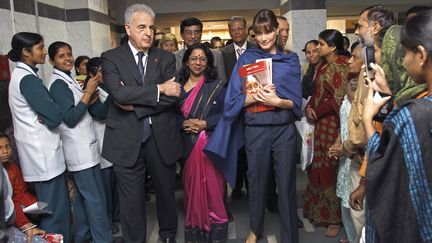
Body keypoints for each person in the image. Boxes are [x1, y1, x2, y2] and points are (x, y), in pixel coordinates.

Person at [206, 9, 302, 243]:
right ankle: (254, 229)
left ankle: (290, 236)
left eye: (267, 31)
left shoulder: (291, 59)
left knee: (287, 183)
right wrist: (255, 97)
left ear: (276, 30)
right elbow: (232, 101)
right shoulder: (247, 59)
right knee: (256, 182)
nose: (263, 38)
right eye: (258, 34)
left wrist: (277, 101)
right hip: (255, 129)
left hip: (283, 129)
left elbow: (296, 103)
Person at [101, 4, 183, 243]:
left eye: (151, 27)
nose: (148, 32)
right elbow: (118, 94)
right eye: (141, 27)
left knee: (166, 192)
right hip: (125, 139)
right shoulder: (111, 58)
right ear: (128, 29)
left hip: (161, 138)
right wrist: (158, 88)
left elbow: (171, 98)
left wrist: (133, 102)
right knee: (131, 200)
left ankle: (168, 234)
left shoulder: (166, 58)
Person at [362, 10, 432, 243]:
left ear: (421, 55)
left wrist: (367, 122)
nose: (402, 61)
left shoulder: (414, 114)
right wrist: (391, 95)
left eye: (405, 53)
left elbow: (383, 165)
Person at [7, 32, 71, 242]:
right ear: (26, 52)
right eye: (40, 48)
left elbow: (50, 111)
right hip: (43, 158)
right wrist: (52, 111)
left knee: (49, 209)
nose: (44, 52)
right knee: (55, 213)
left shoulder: (23, 75)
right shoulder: (27, 80)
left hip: (40, 156)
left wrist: (50, 109)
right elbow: (55, 115)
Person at [47, 41, 111, 243]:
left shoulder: (71, 80)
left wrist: (107, 91)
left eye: (69, 54)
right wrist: (88, 93)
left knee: (84, 201)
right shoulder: (58, 85)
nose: (67, 58)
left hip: (87, 149)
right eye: (61, 56)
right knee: (95, 200)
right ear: (51, 61)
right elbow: (71, 118)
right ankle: (103, 240)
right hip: (79, 151)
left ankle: (84, 236)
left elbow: (96, 111)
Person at [177, 43, 228, 243]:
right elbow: (170, 115)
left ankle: (216, 231)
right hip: (186, 145)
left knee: (213, 188)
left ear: (208, 63)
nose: (198, 62)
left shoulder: (216, 86)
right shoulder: (177, 87)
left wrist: (205, 123)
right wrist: (183, 124)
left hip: (210, 144)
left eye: (202, 59)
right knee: (191, 189)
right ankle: (197, 229)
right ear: (186, 61)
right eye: (193, 58)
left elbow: (226, 114)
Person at [303, 29, 350, 238]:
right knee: (318, 167)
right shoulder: (323, 66)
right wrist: (309, 108)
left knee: (330, 169)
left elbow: (338, 98)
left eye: (321, 44)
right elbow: (316, 93)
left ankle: (335, 218)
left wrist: (317, 111)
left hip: (332, 125)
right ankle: (320, 213)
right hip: (320, 124)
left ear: (332, 47)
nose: (317, 47)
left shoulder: (340, 65)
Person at [329, 42, 364, 243]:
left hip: (358, 159)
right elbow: (345, 122)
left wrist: (346, 148)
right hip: (345, 158)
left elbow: (361, 132)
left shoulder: (367, 91)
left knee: (360, 212)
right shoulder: (350, 84)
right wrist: (337, 142)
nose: (348, 60)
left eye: (354, 57)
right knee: (347, 207)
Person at [220, 15, 253, 201]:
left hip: (253, 107)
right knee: (236, 150)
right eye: (232, 29)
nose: (236, 32)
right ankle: (237, 186)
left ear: (246, 29)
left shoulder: (256, 50)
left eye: (240, 28)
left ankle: (252, 187)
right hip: (233, 110)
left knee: (252, 150)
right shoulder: (222, 54)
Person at [0, 133, 47, 242]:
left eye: (7, 147)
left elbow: (20, 193)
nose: (5, 152)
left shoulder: (12, 169)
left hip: (13, 209)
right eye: (0, 148)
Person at [175, 17, 226, 82]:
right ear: (182, 35)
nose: (193, 36)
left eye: (196, 32)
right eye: (189, 33)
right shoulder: (174, 57)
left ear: (201, 34)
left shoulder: (216, 55)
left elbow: (222, 82)